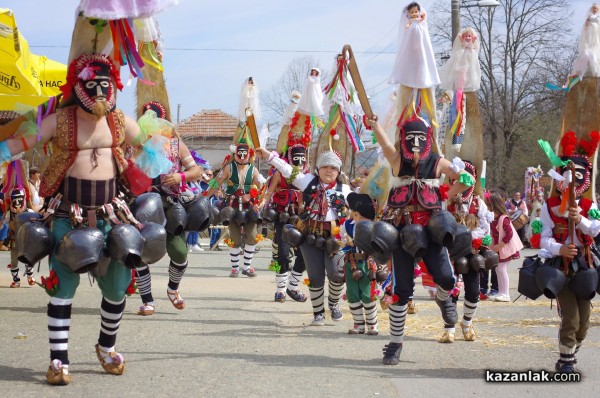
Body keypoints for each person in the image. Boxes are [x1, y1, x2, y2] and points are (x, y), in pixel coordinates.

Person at [0, 52, 145, 385]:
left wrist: (180, 169)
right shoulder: (59, 121)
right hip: (67, 215)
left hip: (112, 214)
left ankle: (106, 348)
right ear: (78, 86)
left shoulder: (121, 121)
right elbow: (22, 141)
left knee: (118, 289)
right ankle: (58, 360)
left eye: (104, 85)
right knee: (63, 289)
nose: (98, 92)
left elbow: (159, 143)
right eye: (91, 85)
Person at [366, 114, 473, 365]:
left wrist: (446, 193)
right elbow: (384, 144)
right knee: (401, 289)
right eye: (410, 137)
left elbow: (466, 178)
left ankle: (444, 298)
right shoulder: (397, 160)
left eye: (420, 137)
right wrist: (376, 125)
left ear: (427, 140)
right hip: (402, 228)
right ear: (403, 138)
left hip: (432, 230)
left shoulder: (437, 162)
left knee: (446, 278)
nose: (415, 142)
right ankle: (395, 343)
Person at [258, 146, 349, 325]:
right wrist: (269, 155)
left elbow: (360, 210)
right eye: (325, 167)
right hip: (309, 235)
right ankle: (317, 313)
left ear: (338, 171)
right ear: (318, 169)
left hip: (335, 238)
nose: (329, 170)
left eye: (333, 168)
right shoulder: (307, 181)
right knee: (314, 276)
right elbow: (286, 169)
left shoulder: (345, 190)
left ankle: (334, 304)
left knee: (337, 274)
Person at [538, 135, 600, 373]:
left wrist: (580, 220)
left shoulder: (588, 205)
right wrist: (559, 248)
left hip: (585, 266)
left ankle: (572, 349)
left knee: (584, 323)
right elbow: (543, 238)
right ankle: (566, 363)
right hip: (560, 267)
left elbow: (596, 229)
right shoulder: (549, 205)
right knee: (571, 318)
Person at [446, 160, 493, 342]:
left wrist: (467, 235)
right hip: (450, 253)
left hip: (472, 251)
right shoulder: (445, 201)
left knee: (473, 291)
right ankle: (449, 327)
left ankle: (467, 322)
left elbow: (485, 228)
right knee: (450, 290)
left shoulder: (478, 203)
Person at [205, 137, 264, 277]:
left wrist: (252, 197)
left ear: (249, 154)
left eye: (245, 154)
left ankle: (247, 267)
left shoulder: (254, 170)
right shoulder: (228, 168)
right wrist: (205, 197)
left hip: (249, 206)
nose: (242, 158)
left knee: (252, 236)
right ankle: (235, 268)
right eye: (240, 154)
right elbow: (217, 184)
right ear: (235, 154)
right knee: (235, 237)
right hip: (232, 206)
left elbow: (263, 188)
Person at [341, 192, 379, 335]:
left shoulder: (374, 226)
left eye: (362, 216)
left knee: (367, 294)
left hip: (367, 262)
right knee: (352, 294)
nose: (358, 219)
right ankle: (358, 324)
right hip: (350, 262)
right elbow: (342, 243)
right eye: (356, 215)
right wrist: (345, 241)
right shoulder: (347, 225)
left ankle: (372, 324)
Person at [388, 2, 440, 88]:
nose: (414, 13)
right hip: (411, 34)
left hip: (419, 34)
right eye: (412, 12)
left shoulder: (419, 23)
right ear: (408, 13)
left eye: (416, 12)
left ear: (418, 11)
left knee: (422, 50)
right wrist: (408, 26)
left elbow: (422, 19)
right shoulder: (411, 22)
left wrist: (423, 17)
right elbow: (407, 25)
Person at [489, 192, 523, 302]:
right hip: (499, 249)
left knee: (501, 269)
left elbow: (509, 234)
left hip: (505, 249)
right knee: (498, 269)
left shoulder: (504, 218)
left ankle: (506, 294)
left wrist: (500, 245)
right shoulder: (495, 218)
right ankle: (501, 292)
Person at [573, 3, 600, 78]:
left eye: (596, 9)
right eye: (594, 8)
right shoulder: (589, 16)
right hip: (589, 31)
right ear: (592, 9)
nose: (595, 10)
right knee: (588, 44)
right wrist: (585, 27)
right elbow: (586, 23)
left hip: (595, 32)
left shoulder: (598, 17)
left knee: (595, 44)